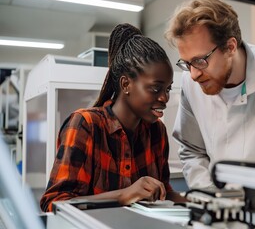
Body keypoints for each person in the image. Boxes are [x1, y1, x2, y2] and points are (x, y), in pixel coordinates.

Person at [40, 23, 185, 212]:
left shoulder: (157, 131)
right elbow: (53, 203)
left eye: (167, 89)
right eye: (156, 88)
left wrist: (202, 204)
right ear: (126, 84)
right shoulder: (86, 125)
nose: (164, 98)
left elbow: (164, 191)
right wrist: (123, 195)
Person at [165, 0, 255, 189]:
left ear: (230, 47)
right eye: (187, 63)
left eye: (200, 61)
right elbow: (191, 150)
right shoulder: (191, 82)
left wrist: (241, 202)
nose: (194, 74)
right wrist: (211, 197)